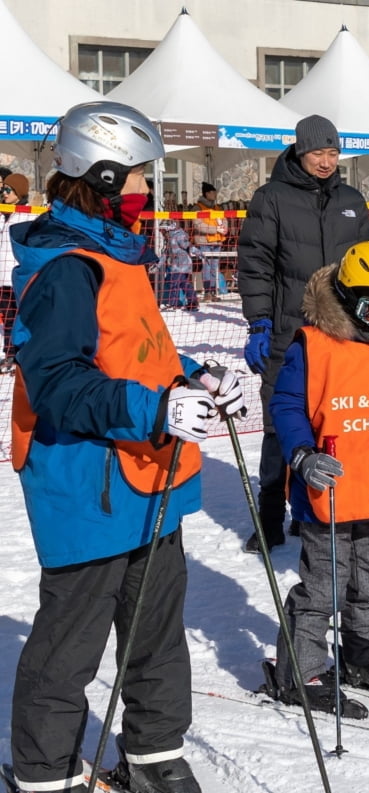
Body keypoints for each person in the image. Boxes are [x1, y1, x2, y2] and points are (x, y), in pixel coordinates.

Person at [8, 100, 246, 793]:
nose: (147, 189)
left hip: (149, 477)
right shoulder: (65, 269)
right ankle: (44, 775)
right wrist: (157, 406)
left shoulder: (118, 254)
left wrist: (194, 382)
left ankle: (152, 754)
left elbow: (137, 356)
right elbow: (56, 383)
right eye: (138, 176)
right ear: (104, 177)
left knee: (155, 633)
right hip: (90, 483)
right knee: (69, 645)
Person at [260, 241, 369, 717]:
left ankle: (364, 652)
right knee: (322, 587)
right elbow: (286, 405)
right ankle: (303, 668)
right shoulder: (313, 344)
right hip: (327, 488)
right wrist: (301, 453)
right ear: (351, 300)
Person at [237, 114, 369, 554]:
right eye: (319, 152)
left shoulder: (351, 200)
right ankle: (269, 519)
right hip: (289, 330)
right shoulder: (271, 198)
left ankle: (308, 509)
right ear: (300, 151)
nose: (327, 161)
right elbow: (255, 263)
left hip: (342, 330)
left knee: (330, 420)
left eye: (333, 153)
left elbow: (368, 260)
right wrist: (259, 321)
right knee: (282, 423)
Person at [0, 172, 35, 372]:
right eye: (2, 189)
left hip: (20, 277)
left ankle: (21, 354)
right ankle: (9, 354)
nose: (4, 193)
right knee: (8, 319)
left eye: (8, 190)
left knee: (21, 318)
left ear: (18, 192)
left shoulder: (29, 214)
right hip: (3, 277)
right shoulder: (3, 214)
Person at [191, 182, 226, 301]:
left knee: (214, 268)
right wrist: (216, 229)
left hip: (217, 241)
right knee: (206, 267)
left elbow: (224, 219)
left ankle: (213, 291)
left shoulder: (217, 208)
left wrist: (224, 229)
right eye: (213, 192)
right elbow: (198, 225)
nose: (215, 194)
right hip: (204, 241)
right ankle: (207, 292)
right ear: (207, 193)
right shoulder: (197, 208)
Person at [158, 217, 199, 311]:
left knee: (174, 282)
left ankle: (173, 304)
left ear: (169, 229)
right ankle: (193, 302)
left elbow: (188, 246)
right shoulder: (169, 239)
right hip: (177, 265)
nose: (161, 232)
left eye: (163, 230)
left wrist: (199, 253)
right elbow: (165, 254)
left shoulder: (179, 236)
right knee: (184, 284)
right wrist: (158, 265)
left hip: (183, 264)